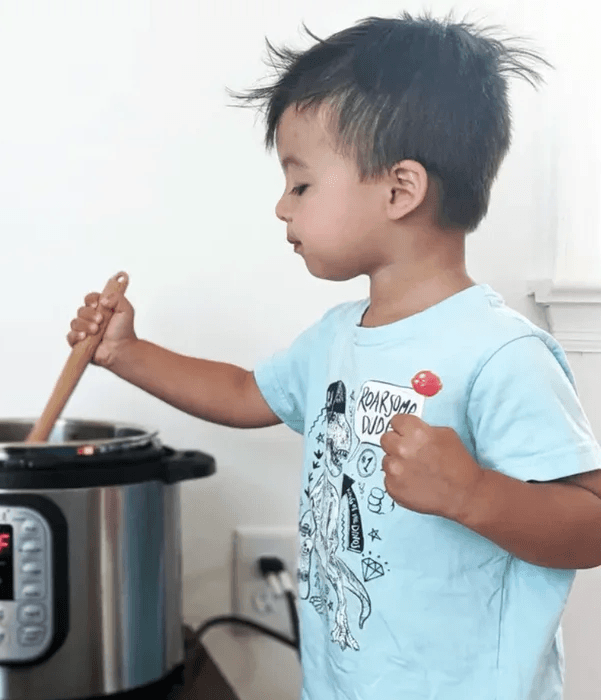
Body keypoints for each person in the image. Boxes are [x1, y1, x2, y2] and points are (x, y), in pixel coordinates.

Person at [67, 11, 601, 700]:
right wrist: (125, 352)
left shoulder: (501, 353)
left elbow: (589, 524)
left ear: (399, 190)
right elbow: (243, 395)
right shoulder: (336, 335)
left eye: (301, 184)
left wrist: (473, 494)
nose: (281, 210)